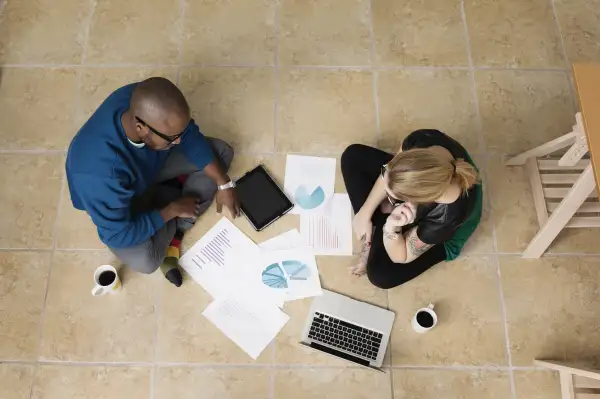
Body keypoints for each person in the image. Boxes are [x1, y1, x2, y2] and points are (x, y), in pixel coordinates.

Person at [66, 77, 240, 287]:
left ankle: (173, 221)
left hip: (148, 168)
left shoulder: (139, 97)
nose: (179, 141)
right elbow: (119, 235)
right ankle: (171, 215)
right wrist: (171, 210)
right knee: (147, 261)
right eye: (172, 138)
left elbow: (190, 136)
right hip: (121, 200)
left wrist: (224, 184)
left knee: (221, 153)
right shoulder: (101, 177)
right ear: (141, 127)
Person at [341, 129, 482, 289]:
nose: (388, 201)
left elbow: (401, 255)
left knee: (380, 275)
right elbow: (387, 171)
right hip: (431, 180)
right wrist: (365, 212)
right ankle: (375, 230)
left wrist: (390, 228)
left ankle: (375, 232)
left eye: (393, 199)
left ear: (416, 201)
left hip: (446, 237)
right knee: (352, 157)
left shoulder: (448, 216)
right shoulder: (420, 140)